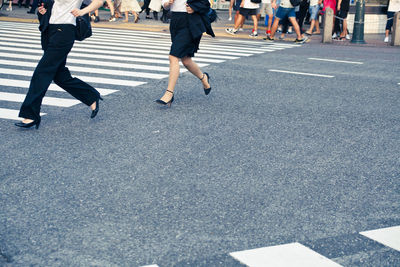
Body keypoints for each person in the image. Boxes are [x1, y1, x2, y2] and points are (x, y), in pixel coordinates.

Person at [14, 0, 106, 129]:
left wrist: (82, 11)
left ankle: (31, 114)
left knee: (42, 72)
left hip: (64, 31)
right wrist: (44, 12)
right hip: (50, 30)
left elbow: (100, 1)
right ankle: (90, 96)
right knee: (58, 74)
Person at [155, 0, 214, 107]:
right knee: (186, 60)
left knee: (173, 56)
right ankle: (204, 77)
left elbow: (207, 3)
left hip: (191, 22)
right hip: (175, 21)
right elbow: (165, 5)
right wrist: (167, 3)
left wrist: (195, 8)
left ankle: (169, 93)